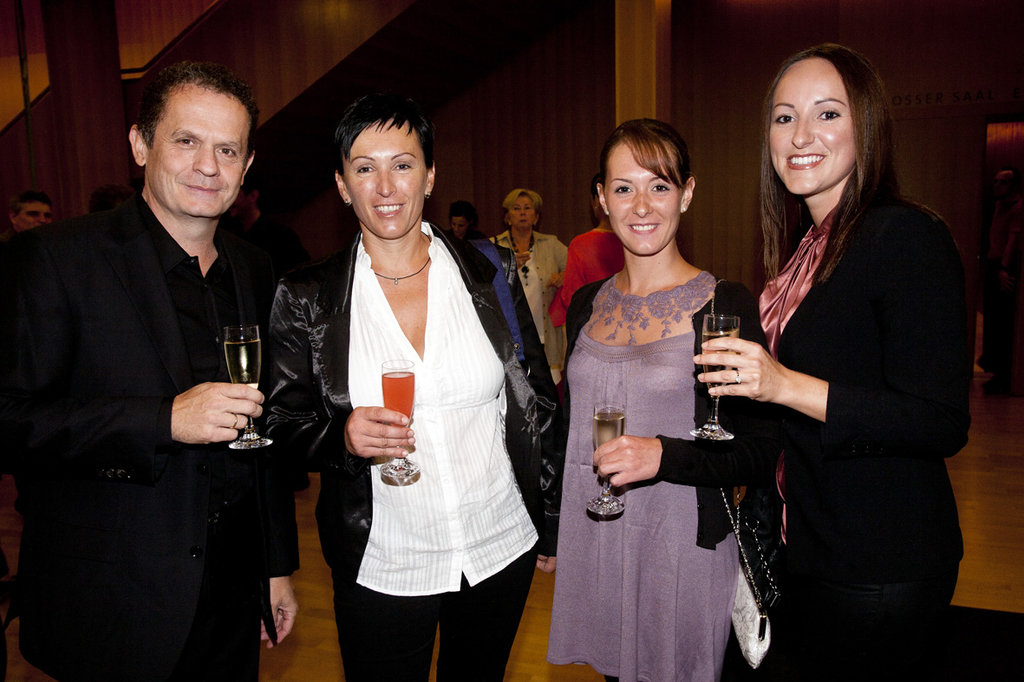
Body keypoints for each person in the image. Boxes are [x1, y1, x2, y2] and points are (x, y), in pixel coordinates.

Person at [0, 61, 299, 682]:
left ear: (246, 166)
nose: (208, 166)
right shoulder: (58, 258)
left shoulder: (255, 268)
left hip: (231, 595)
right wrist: (163, 420)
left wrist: (275, 566)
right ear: (140, 145)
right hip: (111, 598)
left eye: (227, 150)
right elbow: (11, 420)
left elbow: (261, 436)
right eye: (186, 140)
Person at [263, 93, 562, 682]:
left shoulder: (487, 271)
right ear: (342, 185)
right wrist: (342, 436)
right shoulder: (307, 295)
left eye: (402, 164)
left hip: (499, 543)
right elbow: (278, 426)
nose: (385, 187)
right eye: (364, 168)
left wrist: (550, 517)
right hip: (384, 560)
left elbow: (537, 396)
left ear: (429, 175)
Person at [702, 44, 969, 681]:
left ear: (866, 127)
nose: (801, 136)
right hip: (814, 541)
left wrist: (784, 385)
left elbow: (939, 419)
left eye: (826, 114)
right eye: (784, 117)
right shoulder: (808, 249)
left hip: (879, 556)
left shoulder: (903, 235)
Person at [546, 119, 778, 682]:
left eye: (660, 185)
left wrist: (662, 455)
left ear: (687, 193)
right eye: (624, 188)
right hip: (599, 540)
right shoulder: (586, 305)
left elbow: (759, 451)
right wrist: (550, 524)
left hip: (681, 552)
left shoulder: (723, 307)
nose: (642, 205)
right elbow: (567, 429)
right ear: (602, 199)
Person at [493, 188, 568, 376]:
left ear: (536, 217)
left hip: (545, 332)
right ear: (507, 217)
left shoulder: (551, 243)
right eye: (516, 208)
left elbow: (575, 269)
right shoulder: (494, 245)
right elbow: (485, 283)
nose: (522, 213)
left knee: (549, 385)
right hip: (510, 334)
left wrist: (562, 276)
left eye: (527, 208)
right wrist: (508, 267)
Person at [548, 172, 625, 327]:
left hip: (597, 326)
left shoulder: (581, 244)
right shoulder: (639, 241)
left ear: (595, 201)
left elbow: (572, 297)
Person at [979, 166, 1022, 393]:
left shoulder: (1018, 208)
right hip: (994, 262)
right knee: (992, 318)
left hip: (1004, 266)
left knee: (1003, 320)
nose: (997, 185)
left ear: (1014, 186)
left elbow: (1013, 240)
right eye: (995, 181)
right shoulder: (998, 206)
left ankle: (1004, 373)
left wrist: (1004, 268)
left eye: (1003, 182)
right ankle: (994, 367)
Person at [225, 174, 311, 275]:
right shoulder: (232, 236)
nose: (229, 199)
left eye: (235, 192)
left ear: (253, 196)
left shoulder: (281, 236)